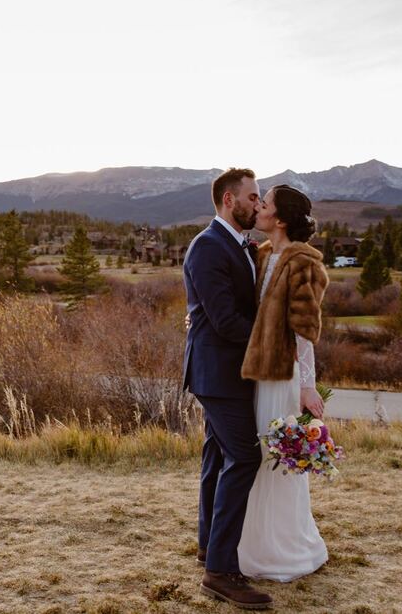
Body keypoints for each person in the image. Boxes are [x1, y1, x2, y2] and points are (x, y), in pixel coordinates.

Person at [182, 168, 274, 610]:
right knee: (245, 457)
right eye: (253, 197)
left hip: (226, 371)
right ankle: (220, 572)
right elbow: (225, 322)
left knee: (217, 456)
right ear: (228, 201)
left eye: (259, 199)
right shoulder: (207, 247)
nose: (258, 205)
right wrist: (274, 337)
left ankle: (207, 544)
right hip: (217, 374)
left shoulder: (237, 245)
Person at [236, 184, 330, 581]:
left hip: (283, 378)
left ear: (281, 219)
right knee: (256, 459)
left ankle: (284, 547)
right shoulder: (261, 256)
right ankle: (252, 542)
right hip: (258, 374)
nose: (258, 208)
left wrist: (307, 386)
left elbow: (305, 331)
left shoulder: (301, 262)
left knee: (277, 458)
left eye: (266, 204)